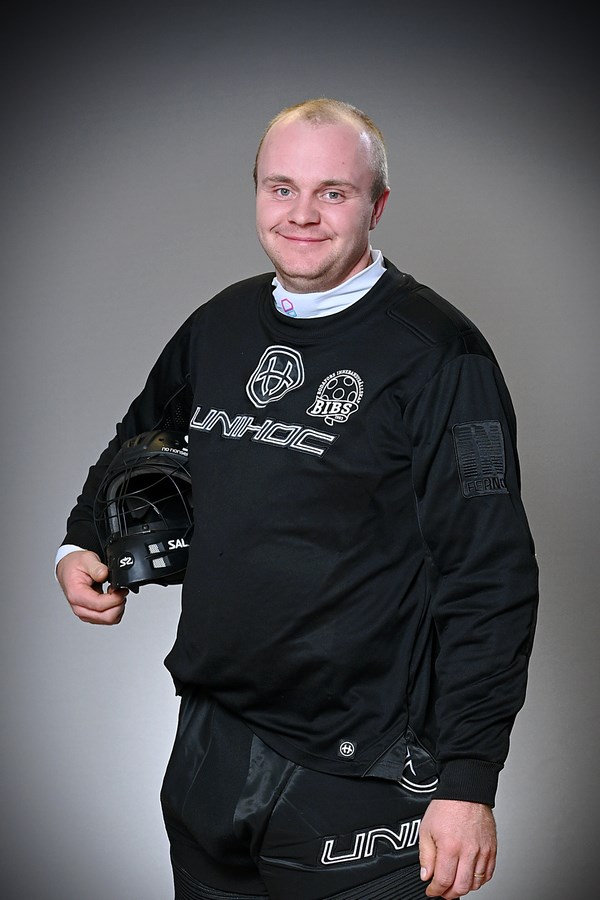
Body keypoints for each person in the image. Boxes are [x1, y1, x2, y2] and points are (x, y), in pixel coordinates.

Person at [57, 98, 538, 900]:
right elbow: (140, 439)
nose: (302, 214)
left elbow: (489, 573)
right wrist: (82, 541)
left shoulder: (442, 356)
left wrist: (468, 778)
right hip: (212, 739)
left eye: (333, 192)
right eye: (282, 188)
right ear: (257, 193)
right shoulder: (220, 325)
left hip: (361, 766)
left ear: (376, 205)